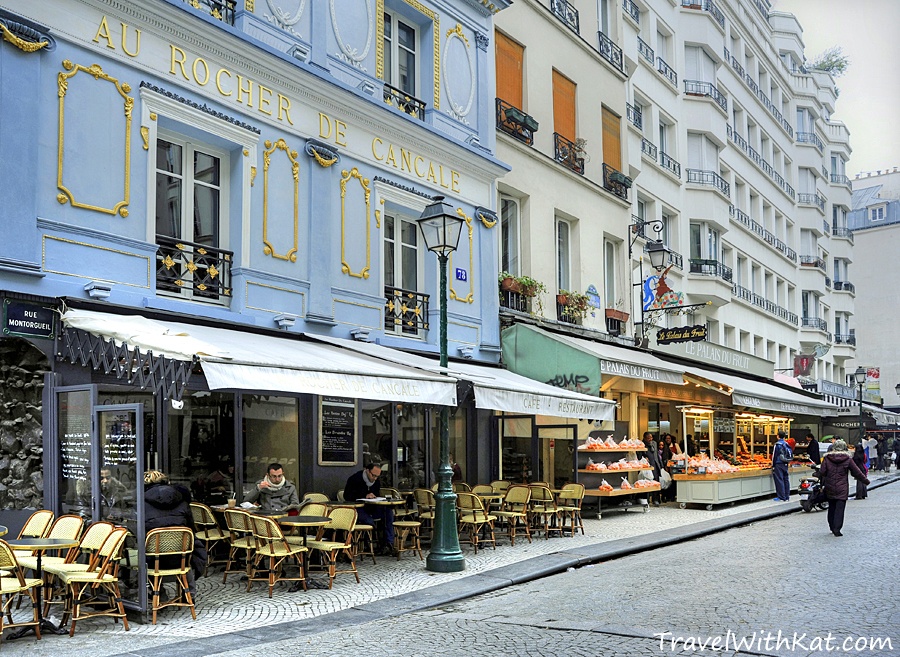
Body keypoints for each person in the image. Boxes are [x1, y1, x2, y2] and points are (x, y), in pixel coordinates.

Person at [144, 470, 206, 598]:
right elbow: (190, 527)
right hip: (180, 558)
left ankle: (159, 593)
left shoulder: (141, 505)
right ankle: (190, 594)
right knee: (190, 551)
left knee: (137, 552)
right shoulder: (182, 502)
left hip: (153, 560)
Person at [819, 439, 869, 537]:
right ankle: (837, 529)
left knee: (832, 507)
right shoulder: (847, 459)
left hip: (830, 486)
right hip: (842, 487)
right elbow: (857, 472)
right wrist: (865, 481)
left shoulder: (827, 458)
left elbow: (822, 472)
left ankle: (831, 526)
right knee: (840, 509)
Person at [344, 463, 395, 555]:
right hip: (357, 509)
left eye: (377, 476)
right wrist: (364, 496)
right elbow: (347, 496)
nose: (375, 478)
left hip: (371, 507)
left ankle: (389, 543)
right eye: (373, 475)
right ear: (367, 470)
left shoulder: (376, 482)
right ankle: (371, 545)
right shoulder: (355, 479)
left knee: (388, 512)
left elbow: (376, 494)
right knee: (369, 521)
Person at [771, 430, 792, 502]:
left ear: (778, 436)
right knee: (786, 479)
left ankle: (781, 497)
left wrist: (773, 465)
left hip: (778, 464)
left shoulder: (777, 444)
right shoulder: (786, 444)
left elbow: (774, 456)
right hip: (785, 463)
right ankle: (787, 496)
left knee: (779, 480)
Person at [643, 432, 661, 507]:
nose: (650, 439)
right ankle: (646, 499)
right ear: (644, 438)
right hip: (647, 466)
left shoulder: (654, 443)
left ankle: (655, 499)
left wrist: (660, 465)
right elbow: (640, 455)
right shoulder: (642, 444)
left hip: (655, 464)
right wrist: (644, 457)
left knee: (656, 481)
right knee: (647, 482)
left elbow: (656, 454)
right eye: (648, 438)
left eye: (651, 437)